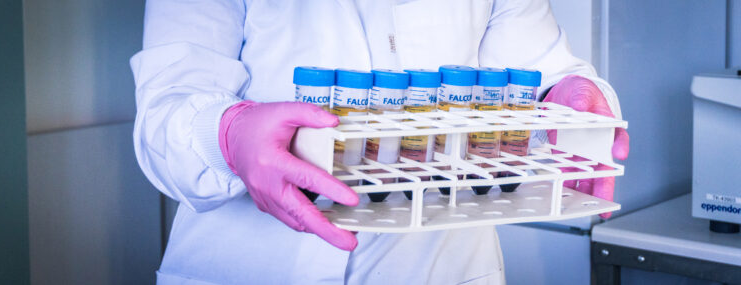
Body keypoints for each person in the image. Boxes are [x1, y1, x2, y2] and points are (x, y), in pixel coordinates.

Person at [130, 0, 630, 284]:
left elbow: (538, 73)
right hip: (249, 267)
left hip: (442, 267)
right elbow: (166, 108)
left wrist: (566, 96)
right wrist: (224, 131)